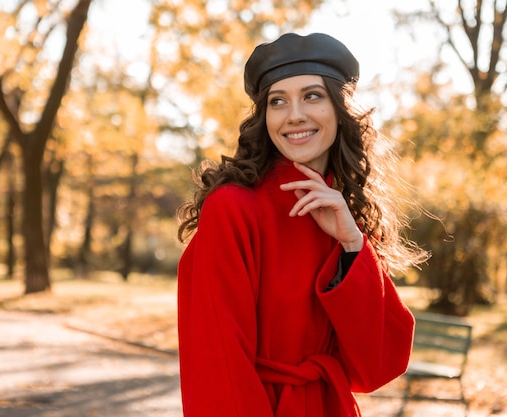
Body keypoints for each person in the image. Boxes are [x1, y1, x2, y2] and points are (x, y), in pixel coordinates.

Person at [176, 32, 428, 417]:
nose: (294, 114)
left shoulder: (350, 220)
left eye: (312, 96)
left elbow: (376, 368)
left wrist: (353, 247)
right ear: (266, 117)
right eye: (278, 101)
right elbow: (217, 367)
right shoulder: (232, 208)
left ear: (339, 110)